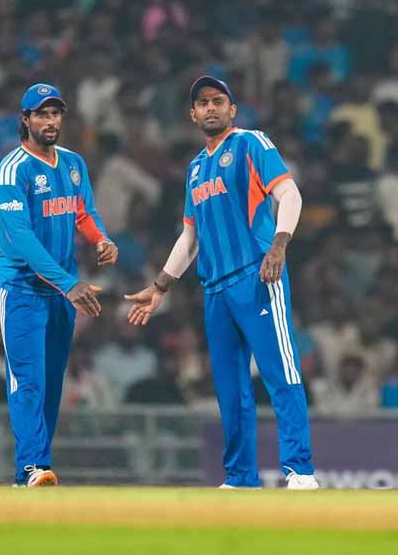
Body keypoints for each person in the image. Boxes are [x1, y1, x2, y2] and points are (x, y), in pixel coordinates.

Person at [125, 76, 318, 490]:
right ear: (192, 115)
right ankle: (240, 476)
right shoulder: (195, 168)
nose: (210, 107)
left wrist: (279, 245)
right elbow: (189, 237)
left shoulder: (251, 143)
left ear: (232, 109)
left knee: (280, 373)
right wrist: (160, 286)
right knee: (230, 390)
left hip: (257, 274)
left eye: (218, 101)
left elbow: (290, 194)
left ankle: (299, 470)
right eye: (202, 103)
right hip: (214, 289)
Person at [0, 83, 117, 487]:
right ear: (25, 119)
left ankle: (35, 469)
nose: (50, 121)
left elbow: (83, 211)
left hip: (61, 292)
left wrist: (100, 239)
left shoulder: (73, 163)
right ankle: (31, 466)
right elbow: (22, 238)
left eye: (56, 113)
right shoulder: (11, 171)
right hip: (23, 289)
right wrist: (68, 284)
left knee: (50, 382)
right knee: (27, 380)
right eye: (42, 114)